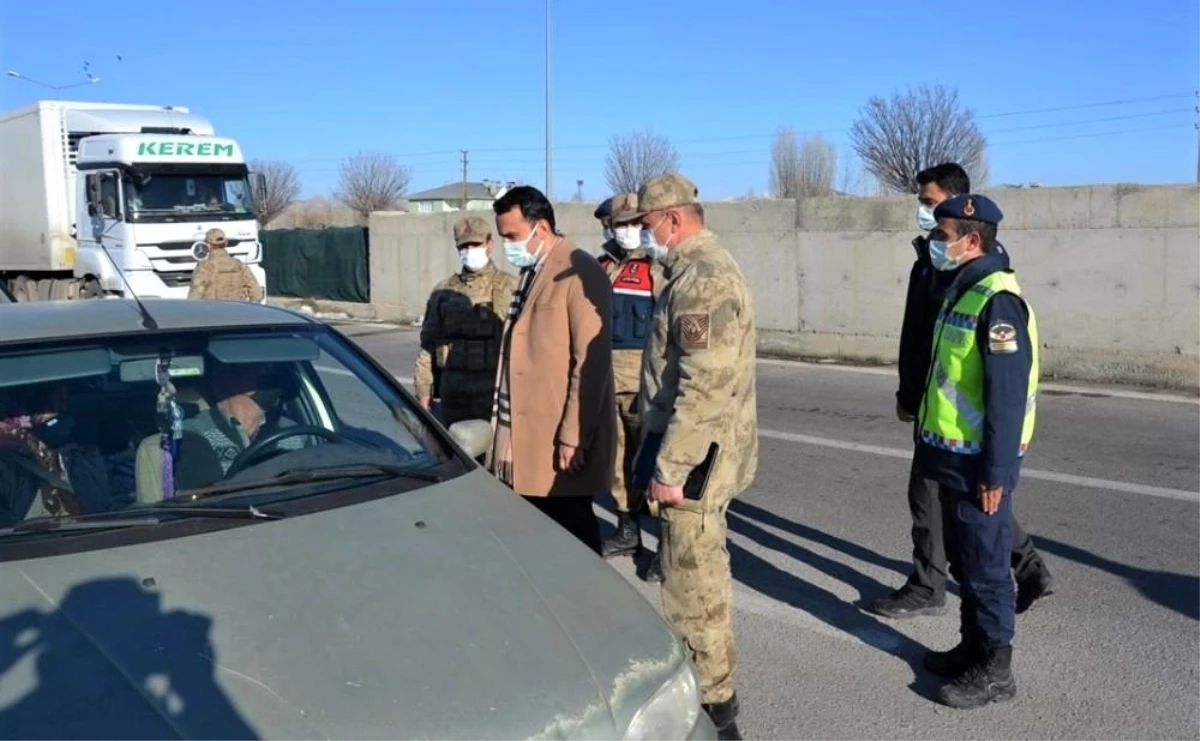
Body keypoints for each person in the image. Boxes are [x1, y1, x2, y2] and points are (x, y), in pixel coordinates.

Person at [871, 163, 1054, 620]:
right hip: (934, 407)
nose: (923, 214)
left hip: (959, 423)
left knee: (948, 498)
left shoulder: (977, 275)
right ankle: (1021, 568)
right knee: (951, 497)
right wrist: (908, 393)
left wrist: (999, 467)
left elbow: (997, 380)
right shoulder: (932, 258)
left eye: (930, 204)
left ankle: (933, 586)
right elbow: (918, 339)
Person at [632, 173, 757, 740]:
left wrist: (670, 470)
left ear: (673, 220)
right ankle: (706, 694)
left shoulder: (703, 279)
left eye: (647, 225)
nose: (643, 235)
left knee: (694, 584)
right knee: (687, 576)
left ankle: (715, 710)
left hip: (694, 464)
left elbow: (702, 388)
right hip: (692, 453)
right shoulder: (686, 273)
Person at [915, 194, 1039, 709]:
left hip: (977, 462)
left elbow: (1007, 398)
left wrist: (996, 473)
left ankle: (997, 669)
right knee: (966, 561)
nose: (934, 243)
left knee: (988, 566)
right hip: (948, 453)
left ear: (972, 239)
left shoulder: (997, 300)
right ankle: (972, 647)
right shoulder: (962, 290)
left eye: (942, 236)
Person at [486, 185, 617, 555]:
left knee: (573, 534)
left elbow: (590, 365)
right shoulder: (533, 271)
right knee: (541, 538)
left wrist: (573, 436)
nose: (508, 245)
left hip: (560, 438)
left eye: (512, 236)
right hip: (530, 433)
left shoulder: (580, 272)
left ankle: (588, 607)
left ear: (540, 228)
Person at [597, 192, 666, 583]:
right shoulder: (601, 266)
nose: (627, 231)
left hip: (648, 383)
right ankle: (627, 531)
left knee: (654, 462)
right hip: (609, 379)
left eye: (634, 223)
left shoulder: (659, 267)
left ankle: (666, 546)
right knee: (619, 460)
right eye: (619, 224)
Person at [414, 216, 517, 426]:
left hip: (494, 394)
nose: (470, 250)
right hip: (453, 396)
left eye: (476, 244)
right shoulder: (443, 292)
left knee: (491, 456)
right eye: (464, 245)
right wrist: (424, 392)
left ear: (490, 245)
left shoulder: (510, 286)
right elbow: (428, 346)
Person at [187, 228, 264, 302]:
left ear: (208, 246)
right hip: (238, 311)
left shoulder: (204, 267)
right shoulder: (239, 265)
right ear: (226, 243)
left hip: (213, 312)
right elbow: (257, 294)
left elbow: (195, 296)